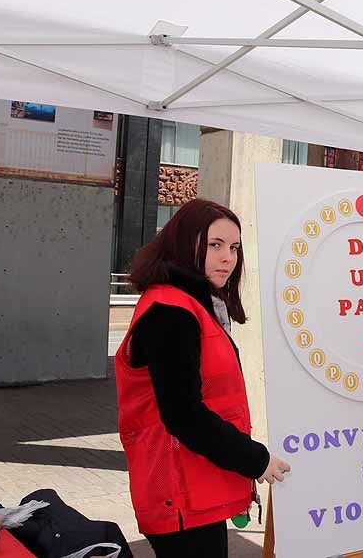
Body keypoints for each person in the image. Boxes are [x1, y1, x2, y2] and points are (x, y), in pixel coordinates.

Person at [115, 199, 291, 558]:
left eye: (235, 247)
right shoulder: (170, 311)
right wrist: (256, 459)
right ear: (184, 243)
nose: (229, 257)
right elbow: (184, 414)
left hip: (194, 487)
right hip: (179, 493)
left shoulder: (194, 304)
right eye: (215, 245)